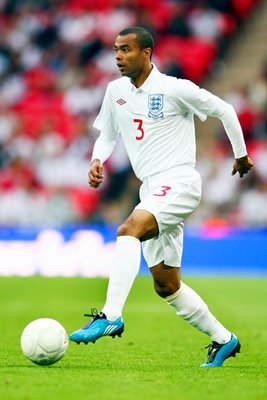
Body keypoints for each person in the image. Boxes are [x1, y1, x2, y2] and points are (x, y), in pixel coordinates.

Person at [70, 26, 253, 367]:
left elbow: (224, 109)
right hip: (151, 188)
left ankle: (111, 314)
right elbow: (108, 133)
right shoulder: (115, 92)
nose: (118, 56)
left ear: (146, 53)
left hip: (180, 181)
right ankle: (224, 340)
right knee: (166, 285)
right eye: (115, 49)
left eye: (126, 49)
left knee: (128, 230)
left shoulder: (174, 89)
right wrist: (98, 158)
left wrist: (240, 154)